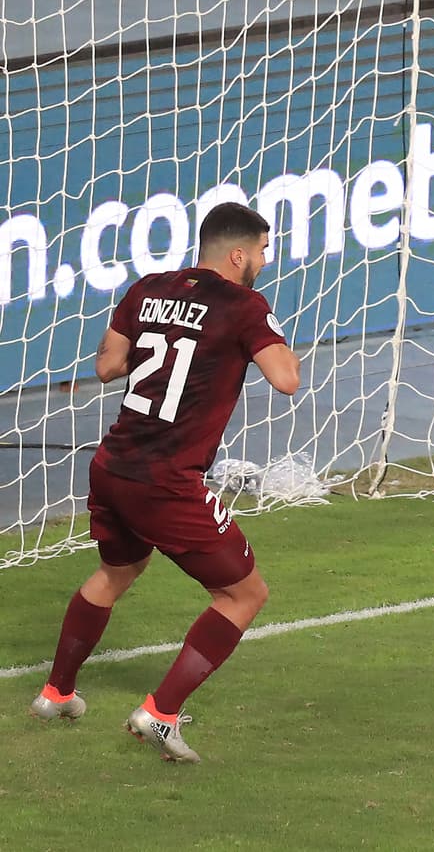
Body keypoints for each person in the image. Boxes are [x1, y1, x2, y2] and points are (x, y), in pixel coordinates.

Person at [28, 202, 300, 764]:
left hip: (112, 467)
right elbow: (287, 380)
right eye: (264, 251)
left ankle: (57, 694)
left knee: (116, 570)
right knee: (245, 594)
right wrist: (248, 336)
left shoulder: (146, 288)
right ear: (239, 254)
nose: (266, 262)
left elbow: (106, 367)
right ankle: (160, 714)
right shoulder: (244, 305)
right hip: (167, 480)